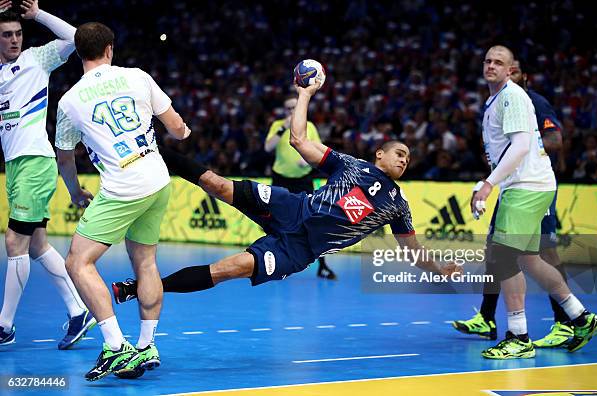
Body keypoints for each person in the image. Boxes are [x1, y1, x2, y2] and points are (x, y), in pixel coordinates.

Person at [112, 81, 462, 307]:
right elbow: (299, 141)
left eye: (408, 158)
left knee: (229, 269)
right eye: (398, 152)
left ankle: (139, 287)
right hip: (291, 208)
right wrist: (305, 94)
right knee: (217, 184)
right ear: (379, 154)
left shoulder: (397, 204)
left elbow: (413, 253)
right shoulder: (350, 164)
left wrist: (440, 268)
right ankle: (153, 149)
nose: (404, 159)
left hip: (299, 250)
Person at [55, 22, 190, 381]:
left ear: (79, 54)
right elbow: (175, 126)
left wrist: (74, 191)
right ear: (110, 49)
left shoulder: (69, 102)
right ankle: (147, 345)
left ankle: (116, 347)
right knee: (145, 262)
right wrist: (182, 131)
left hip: (121, 189)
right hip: (157, 181)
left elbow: (65, 158)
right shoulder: (137, 77)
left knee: (78, 263)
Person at [469, 45, 597, 359]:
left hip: (526, 187)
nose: (491, 65)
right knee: (530, 260)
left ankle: (519, 337)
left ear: (510, 69)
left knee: (503, 258)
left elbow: (520, 146)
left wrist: (490, 185)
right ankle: (581, 318)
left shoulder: (512, 96)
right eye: (487, 60)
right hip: (528, 185)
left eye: (498, 62)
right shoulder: (495, 100)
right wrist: (488, 181)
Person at [452, 59, 573, 349]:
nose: (507, 74)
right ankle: (487, 317)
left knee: (545, 251)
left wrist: (525, 148)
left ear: (523, 76)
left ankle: (566, 322)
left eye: (514, 70)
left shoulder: (532, 102)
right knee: (496, 248)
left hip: (533, 185)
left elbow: (555, 139)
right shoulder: (501, 105)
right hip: (512, 186)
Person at [0, 0, 95, 350]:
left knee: (14, 242)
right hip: (14, 165)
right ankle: (77, 311)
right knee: (37, 245)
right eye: (7, 35)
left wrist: (37, 15)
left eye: (18, 34)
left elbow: (76, 38)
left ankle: (4, 326)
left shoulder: (35, 60)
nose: (14, 40)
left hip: (35, 161)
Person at [265, 95, 336, 279]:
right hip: (280, 179)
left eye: (294, 108)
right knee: (276, 223)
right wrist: (283, 128)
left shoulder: (309, 126)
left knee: (313, 219)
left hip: (303, 179)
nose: (291, 111)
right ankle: (276, 264)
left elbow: (320, 150)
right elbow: (267, 148)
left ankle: (322, 266)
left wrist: (309, 161)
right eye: (288, 108)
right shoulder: (277, 125)